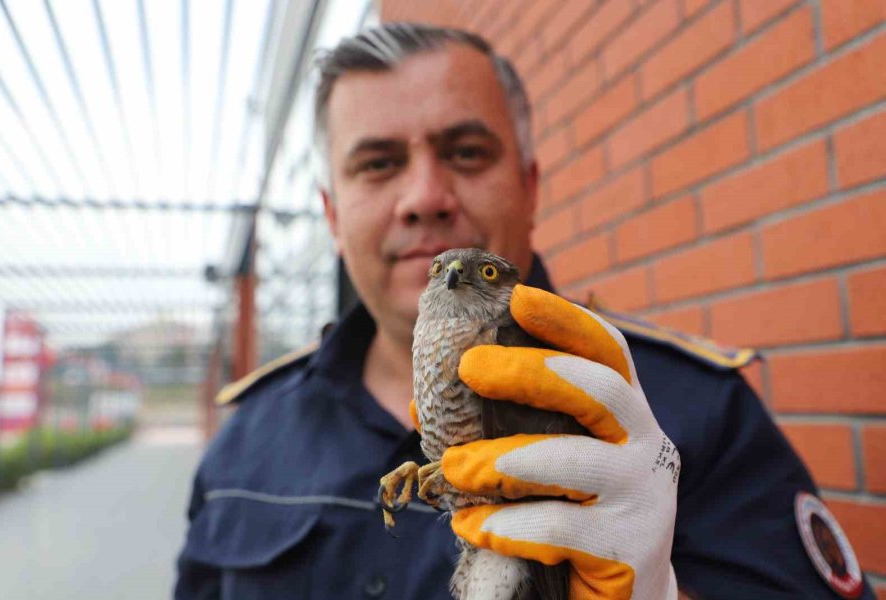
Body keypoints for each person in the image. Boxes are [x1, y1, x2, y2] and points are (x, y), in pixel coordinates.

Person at [175, 23, 873, 600]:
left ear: (531, 186)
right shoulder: (245, 440)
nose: (425, 197)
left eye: (466, 152)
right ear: (332, 215)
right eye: (379, 164)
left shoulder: (697, 410)